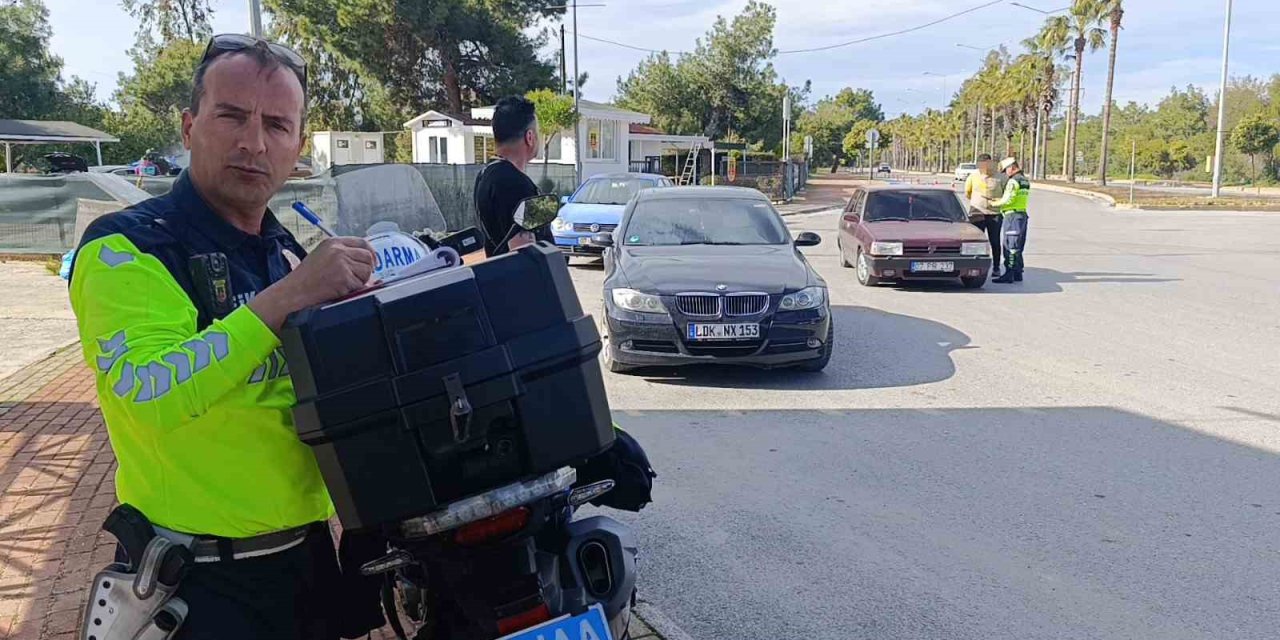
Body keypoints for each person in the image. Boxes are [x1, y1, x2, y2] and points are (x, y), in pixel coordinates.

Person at [68, 34, 381, 639]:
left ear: (298, 147)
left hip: (307, 565)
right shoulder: (125, 247)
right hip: (198, 587)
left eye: (276, 125)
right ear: (189, 127)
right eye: (232, 116)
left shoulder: (280, 249)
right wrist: (286, 300)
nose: (253, 142)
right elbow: (151, 393)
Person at [474, 95, 552, 256]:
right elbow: (525, 253)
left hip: (500, 276)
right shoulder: (516, 184)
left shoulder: (485, 175)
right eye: (538, 134)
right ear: (529, 137)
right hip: (523, 281)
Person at [963, 153, 1004, 276]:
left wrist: (996, 203)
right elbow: (967, 192)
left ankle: (996, 267)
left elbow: (1006, 193)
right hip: (977, 213)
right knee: (975, 242)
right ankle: (975, 268)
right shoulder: (973, 177)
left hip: (994, 214)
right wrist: (978, 202)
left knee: (995, 241)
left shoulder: (1001, 177)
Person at [990, 157, 1030, 284]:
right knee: (1018, 245)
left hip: (1012, 216)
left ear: (1012, 168)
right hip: (1022, 215)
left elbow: (1008, 199)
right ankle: (1018, 272)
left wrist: (994, 203)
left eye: (1005, 171)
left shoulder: (1013, 182)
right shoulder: (1025, 180)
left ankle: (1009, 274)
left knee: (1010, 245)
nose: (1005, 174)